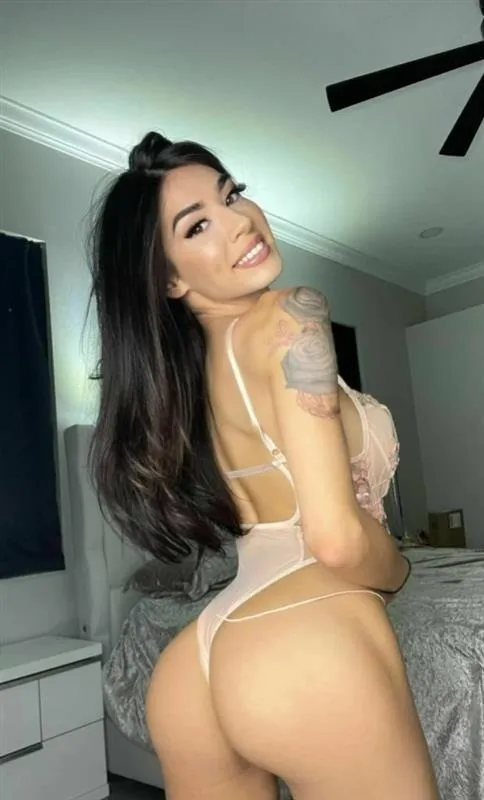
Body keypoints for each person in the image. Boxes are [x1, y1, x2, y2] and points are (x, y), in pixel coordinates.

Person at [89, 131, 439, 800]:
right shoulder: (292, 314)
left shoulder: (187, 383)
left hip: (195, 666)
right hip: (305, 639)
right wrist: (398, 570)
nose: (240, 222)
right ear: (169, 278)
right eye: (197, 226)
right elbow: (337, 540)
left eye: (232, 196)